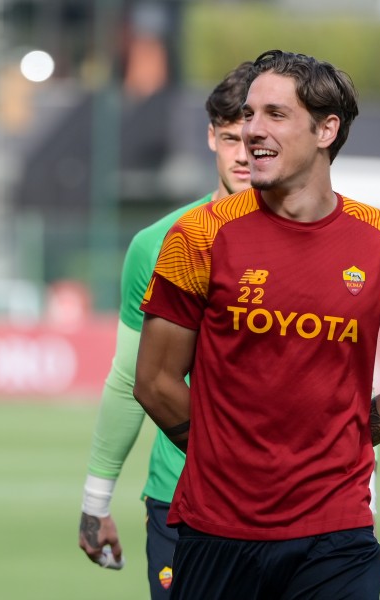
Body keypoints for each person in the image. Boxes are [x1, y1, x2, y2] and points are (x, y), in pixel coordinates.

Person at [133, 49, 380, 599]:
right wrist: (224, 454)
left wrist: (337, 446)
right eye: (249, 115)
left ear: (327, 129)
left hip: (337, 535)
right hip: (217, 528)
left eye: (275, 115)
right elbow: (154, 381)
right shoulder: (198, 235)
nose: (252, 130)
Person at [78, 61, 254, 599]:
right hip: (181, 500)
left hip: (300, 507)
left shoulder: (327, 244)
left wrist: (364, 501)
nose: (244, 155)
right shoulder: (157, 244)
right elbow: (132, 378)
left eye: (258, 140)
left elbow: (339, 384)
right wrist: (96, 499)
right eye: (230, 139)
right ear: (210, 137)